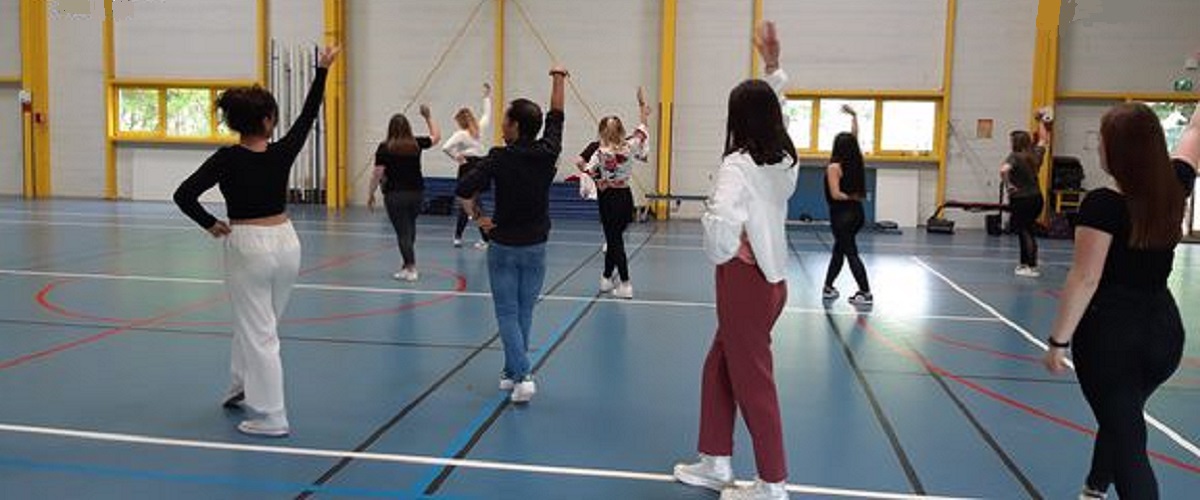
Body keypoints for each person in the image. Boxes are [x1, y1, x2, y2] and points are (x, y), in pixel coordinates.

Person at [173, 46, 340, 437]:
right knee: (262, 326)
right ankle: (241, 384)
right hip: (287, 243)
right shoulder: (283, 151)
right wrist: (321, 71)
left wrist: (210, 223)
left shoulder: (226, 158)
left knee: (258, 329)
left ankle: (272, 415)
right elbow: (308, 115)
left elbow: (183, 195)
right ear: (268, 121)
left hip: (248, 244)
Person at [1043, 102, 1198, 500]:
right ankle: (1095, 485)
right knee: (1122, 416)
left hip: (1112, 338)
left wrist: (1058, 341)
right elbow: (1195, 134)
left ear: (1117, 151)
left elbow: (1085, 277)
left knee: (1130, 441)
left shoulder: (1103, 205)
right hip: (1163, 336)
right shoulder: (1177, 183)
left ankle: (1104, 484)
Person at [674, 21, 796, 500]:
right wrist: (773, 68)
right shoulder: (782, 160)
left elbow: (721, 225)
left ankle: (772, 483)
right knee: (719, 367)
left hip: (745, 282)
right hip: (772, 282)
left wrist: (722, 249)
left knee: (753, 383)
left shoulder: (737, 165)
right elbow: (781, 115)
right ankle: (715, 459)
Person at [456, 65, 569, 404]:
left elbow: (464, 187)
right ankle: (510, 371)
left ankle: (523, 373)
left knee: (507, 312)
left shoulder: (499, 158)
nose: (502, 125)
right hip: (536, 245)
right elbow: (557, 115)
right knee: (524, 311)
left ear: (516, 127)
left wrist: (478, 216)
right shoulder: (548, 151)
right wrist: (558, 79)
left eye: (505, 120)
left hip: (504, 245)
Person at [574, 88, 651, 299]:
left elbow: (581, 163)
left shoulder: (600, 153)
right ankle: (607, 278)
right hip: (625, 195)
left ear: (602, 132)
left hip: (608, 198)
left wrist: (599, 181)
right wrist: (643, 109)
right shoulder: (630, 145)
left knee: (614, 240)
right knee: (614, 237)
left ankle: (625, 283)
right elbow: (642, 130)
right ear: (620, 130)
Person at [368, 105, 442, 282]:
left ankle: (411, 267)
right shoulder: (416, 144)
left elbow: (377, 173)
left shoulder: (385, 147)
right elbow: (436, 137)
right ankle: (405, 264)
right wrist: (428, 116)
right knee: (409, 227)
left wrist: (370, 193)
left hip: (395, 195)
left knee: (402, 232)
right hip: (417, 193)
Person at [822, 106, 872, 306]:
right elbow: (854, 138)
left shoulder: (834, 167)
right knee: (839, 250)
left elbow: (835, 194)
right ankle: (828, 287)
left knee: (850, 253)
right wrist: (854, 116)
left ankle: (865, 293)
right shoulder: (856, 162)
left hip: (842, 216)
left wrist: (850, 196)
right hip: (857, 214)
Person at [1002, 111, 1053, 277]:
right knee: (1028, 229)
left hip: (1021, 200)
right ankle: (1026, 264)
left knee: (1024, 231)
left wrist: (1009, 185)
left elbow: (1004, 170)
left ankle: (1029, 266)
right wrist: (1040, 121)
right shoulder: (1034, 155)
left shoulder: (1015, 157)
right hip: (1037, 199)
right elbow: (1044, 140)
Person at [444, 83, 493, 249]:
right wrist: (487, 96)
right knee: (472, 203)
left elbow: (446, 147)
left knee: (469, 204)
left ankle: (484, 238)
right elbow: (487, 114)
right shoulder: (481, 128)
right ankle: (462, 236)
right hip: (481, 166)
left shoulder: (461, 134)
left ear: (460, 122)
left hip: (467, 167)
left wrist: (457, 157)